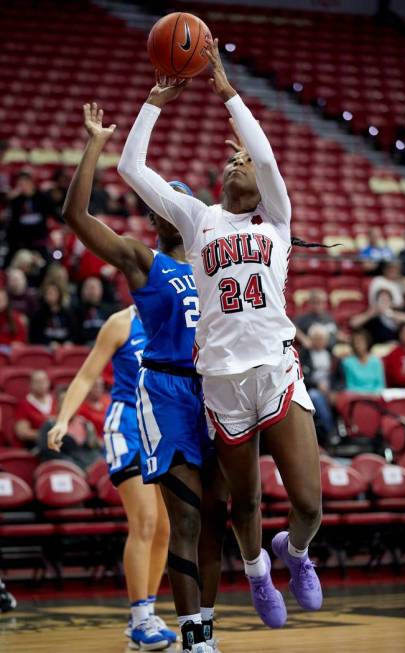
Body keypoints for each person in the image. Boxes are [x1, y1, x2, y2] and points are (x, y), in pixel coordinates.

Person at [118, 40, 323, 631]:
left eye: (248, 165)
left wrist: (227, 91)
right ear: (217, 181)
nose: (241, 165)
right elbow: (132, 171)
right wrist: (155, 103)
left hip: (278, 369)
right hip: (222, 384)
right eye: (231, 162)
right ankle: (257, 574)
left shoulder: (277, 221)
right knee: (247, 502)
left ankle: (297, 554)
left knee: (307, 503)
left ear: (264, 186)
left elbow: (264, 156)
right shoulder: (198, 217)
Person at [58, 101, 226, 653]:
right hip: (163, 396)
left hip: (215, 393)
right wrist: (95, 147)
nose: (173, 208)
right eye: (163, 202)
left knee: (215, 517)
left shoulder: (212, 264)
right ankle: (159, 621)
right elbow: (77, 220)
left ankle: (244, 584)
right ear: (156, 217)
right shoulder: (146, 263)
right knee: (166, 519)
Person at [47, 308, 176, 648]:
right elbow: (87, 376)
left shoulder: (175, 317)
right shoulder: (121, 322)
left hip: (163, 427)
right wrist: (63, 419)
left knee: (165, 528)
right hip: (128, 426)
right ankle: (140, 617)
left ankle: (145, 614)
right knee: (145, 521)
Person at [299, 324, 343, 446]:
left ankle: (348, 433)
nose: (319, 341)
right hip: (313, 388)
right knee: (315, 396)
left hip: (331, 389)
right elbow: (301, 376)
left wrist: (334, 390)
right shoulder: (303, 354)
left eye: (322, 339)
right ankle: (331, 431)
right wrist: (317, 384)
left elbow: (339, 377)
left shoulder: (332, 355)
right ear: (311, 339)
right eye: (316, 338)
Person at [40, 386, 102, 471]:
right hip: (65, 471)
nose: (68, 406)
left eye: (72, 402)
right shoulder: (50, 426)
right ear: (57, 405)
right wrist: (77, 467)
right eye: (64, 402)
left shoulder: (86, 424)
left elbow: (94, 449)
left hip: (90, 468)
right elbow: (49, 453)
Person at [5, 171, 57, 264]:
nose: (21, 188)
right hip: (20, 242)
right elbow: (11, 222)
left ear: (31, 183)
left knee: (47, 263)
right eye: (19, 185)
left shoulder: (42, 198)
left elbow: (54, 214)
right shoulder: (16, 201)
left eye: (23, 184)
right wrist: (10, 200)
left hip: (39, 240)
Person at [29, 280, 77, 347]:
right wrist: (48, 343)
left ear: (59, 294)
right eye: (48, 293)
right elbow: (35, 336)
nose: (51, 296)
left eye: (53, 293)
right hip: (45, 349)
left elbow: (74, 333)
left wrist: (69, 342)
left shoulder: (68, 313)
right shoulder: (39, 314)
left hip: (65, 348)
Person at [15, 370, 54, 447]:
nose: (41, 385)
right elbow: (23, 433)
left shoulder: (56, 401)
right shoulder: (24, 404)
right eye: (37, 382)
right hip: (38, 445)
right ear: (30, 384)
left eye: (44, 381)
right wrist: (47, 436)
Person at [341, 330, 386, 394]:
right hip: (356, 397)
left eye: (360, 341)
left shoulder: (376, 361)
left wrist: (373, 394)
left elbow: (380, 385)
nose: (358, 344)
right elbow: (350, 386)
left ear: (367, 342)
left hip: (375, 397)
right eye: (355, 342)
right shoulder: (347, 362)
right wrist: (364, 395)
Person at [75, 276, 115, 345]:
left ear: (101, 290)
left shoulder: (111, 310)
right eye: (88, 288)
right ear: (82, 291)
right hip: (82, 349)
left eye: (93, 288)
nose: (91, 291)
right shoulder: (75, 311)